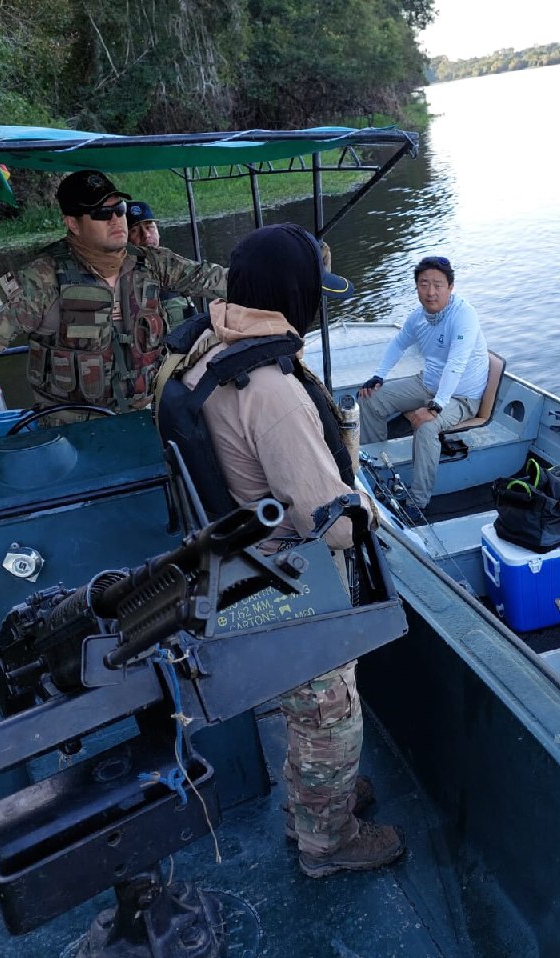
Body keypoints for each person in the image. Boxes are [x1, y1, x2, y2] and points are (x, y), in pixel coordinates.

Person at [158, 222, 405, 879]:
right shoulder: (270, 390)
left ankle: (314, 803)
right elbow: (332, 522)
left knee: (303, 706)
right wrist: (369, 517)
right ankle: (325, 842)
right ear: (291, 295)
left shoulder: (210, 348)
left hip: (242, 560)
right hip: (289, 573)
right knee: (330, 715)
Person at [0, 170, 226, 459]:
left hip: (147, 415)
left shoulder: (151, 263)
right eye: (101, 213)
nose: (116, 219)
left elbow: (214, 279)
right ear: (73, 223)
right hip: (71, 432)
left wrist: (265, 281)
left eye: (119, 209)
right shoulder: (40, 280)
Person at [357, 255, 489, 510]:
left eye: (438, 285)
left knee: (427, 428)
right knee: (370, 398)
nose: (430, 292)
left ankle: (418, 502)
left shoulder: (464, 316)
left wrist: (436, 406)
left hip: (461, 396)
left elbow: (456, 364)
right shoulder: (418, 316)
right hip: (428, 384)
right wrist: (379, 375)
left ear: (450, 287)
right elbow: (398, 344)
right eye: (424, 284)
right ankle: (378, 472)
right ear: (416, 287)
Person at [127, 198, 196, 329]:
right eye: (134, 231)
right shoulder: (122, 280)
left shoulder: (175, 266)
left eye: (149, 227)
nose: (146, 235)